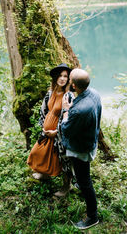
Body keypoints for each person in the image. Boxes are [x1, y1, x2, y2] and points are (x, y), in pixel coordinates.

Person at [61, 68, 102, 230]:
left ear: (74, 85)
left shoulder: (79, 110)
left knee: (85, 182)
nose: (68, 81)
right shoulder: (94, 93)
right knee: (83, 176)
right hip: (90, 141)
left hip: (81, 149)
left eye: (70, 79)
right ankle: (80, 182)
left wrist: (66, 110)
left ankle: (92, 216)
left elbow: (66, 129)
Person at [27, 63, 74, 193]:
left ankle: (66, 186)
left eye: (65, 76)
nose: (63, 79)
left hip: (59, 133)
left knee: (63, 159)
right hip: (47, 131)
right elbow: (44, 111)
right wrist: (43, 127)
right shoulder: (50, 93)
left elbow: (69, 118)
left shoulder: (68, 96)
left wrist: (57, 131)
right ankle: (45, 174)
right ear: (55, 77)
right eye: (60, 76)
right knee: (39, 153)